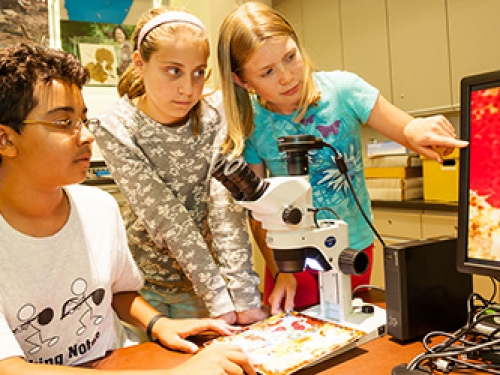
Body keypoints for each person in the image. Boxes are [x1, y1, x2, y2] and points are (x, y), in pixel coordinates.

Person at [0, 41, 256, 375]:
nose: (86, 136)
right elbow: (11, 368)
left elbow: (118, 292)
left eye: (84, 119)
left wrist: (158, 324)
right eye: (64, 123)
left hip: (118, 361)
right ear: (6, 139)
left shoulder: (100, 208)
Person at [217, 1, 469, 315]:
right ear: (242, 80)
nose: (286, 77)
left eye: (290, 57)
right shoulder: (250, 122)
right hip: (291, 260)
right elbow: (258, 211)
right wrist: (282, 270)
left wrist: (418, 130)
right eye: (267, 72)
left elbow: (405, 126)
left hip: (352, 246)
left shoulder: (344, 91)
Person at [92, 7, 267, 325]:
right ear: (139, 65)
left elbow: (225, 210)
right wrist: (217, 297)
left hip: (214, 288)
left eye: (198, 72)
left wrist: (244, 298)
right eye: (173, 71)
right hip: (148, 291)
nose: (188, 88)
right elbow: (168, 219)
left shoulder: (216, 112)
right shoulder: (115, 125)